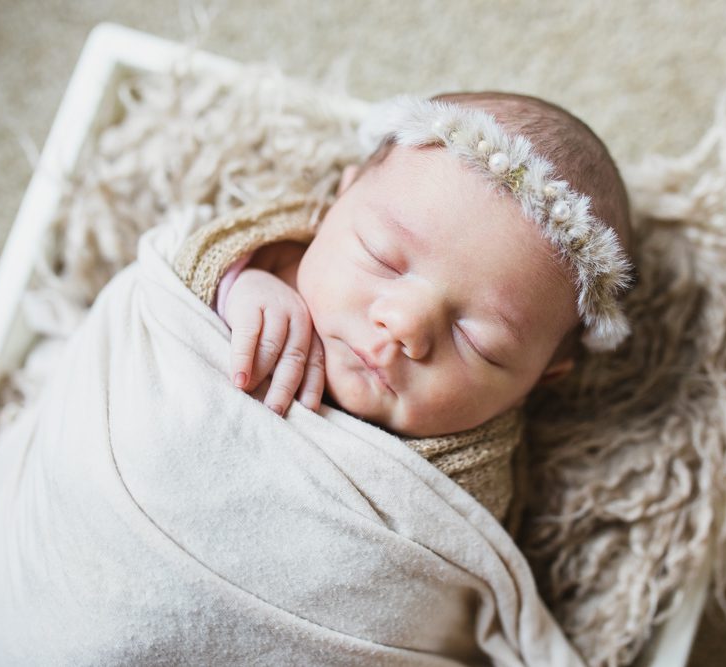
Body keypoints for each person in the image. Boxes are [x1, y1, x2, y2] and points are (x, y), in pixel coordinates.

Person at [174, 91, 633, 525]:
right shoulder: (266, 268)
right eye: (381, 258)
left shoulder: (464, 495)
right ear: (339, 200)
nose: (404, 324)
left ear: (537, 381)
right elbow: (177, 279)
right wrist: (239, 285)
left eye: (478, 342)